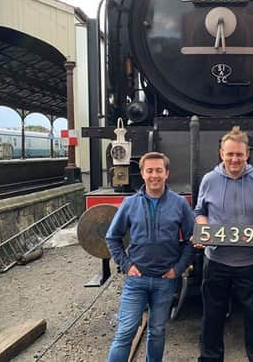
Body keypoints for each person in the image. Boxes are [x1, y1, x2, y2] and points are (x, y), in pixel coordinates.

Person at [195, 126, 253, 362]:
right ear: (221, 153)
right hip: (217, 261)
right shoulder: (209, 180)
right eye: (230, 154)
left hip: (252, 262)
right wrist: (203, 229)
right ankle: (210, 358)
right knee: (212, 316)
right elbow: (200, 211)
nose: (235, 159)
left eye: (239, 155)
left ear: (247, 155)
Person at [106, 152, 195, 362]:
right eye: (150, 171)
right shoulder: (129, 204)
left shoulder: (180, 204)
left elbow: (192, 239)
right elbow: (112, 237)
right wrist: (126, 266)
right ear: (143, 174)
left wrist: (179, 268)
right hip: (136, 279)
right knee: (126, 331)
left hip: (165, 280)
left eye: (159, 170)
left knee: (157, 331)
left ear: (167, 174)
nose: (154, 175)